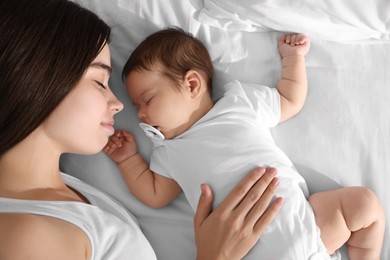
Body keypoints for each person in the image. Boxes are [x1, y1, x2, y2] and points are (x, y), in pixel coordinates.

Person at [0, 1, 284, 259]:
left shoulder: (59, 191)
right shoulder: (27, 237)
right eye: (100, 82)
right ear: (35, 79)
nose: (118, 105)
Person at [105, 27, 385, 259]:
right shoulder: (168, 150)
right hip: (245, 250)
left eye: (148, 100)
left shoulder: (238, 103)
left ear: (192, 84)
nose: (140, 114)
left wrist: (292, 59)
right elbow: (156, 194)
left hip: (306, 230)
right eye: (136, 106)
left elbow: (288, 99)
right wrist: (128, 160)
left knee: (365, 205)